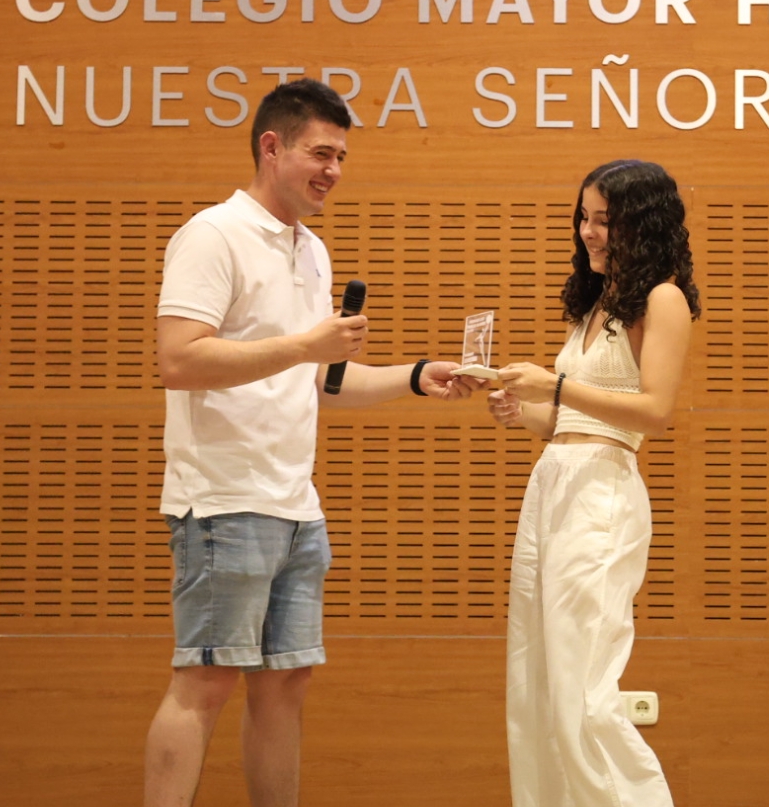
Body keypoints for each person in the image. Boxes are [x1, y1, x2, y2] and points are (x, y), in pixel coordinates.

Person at [144, 78, 479, 807]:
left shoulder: (312, 250)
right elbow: (180, 359)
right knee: (205, 679)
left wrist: (416, 376)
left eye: (342, 157)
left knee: (285, 682)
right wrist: (304, 347)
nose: (333, 170)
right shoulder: (213, 234)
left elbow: (322, 379)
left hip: (296, 504)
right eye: (321, 153)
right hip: (224, 499)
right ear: (272, 147)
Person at [489, 158, 701, 807]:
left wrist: (553, 386)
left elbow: (654, 411)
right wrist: (520, 407)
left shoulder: (663, 298)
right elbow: (569, 419)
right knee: (537, 684)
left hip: (602, 494)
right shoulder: (597, 304)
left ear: (641, 224)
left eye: (604, 220)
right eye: (584, 217)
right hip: (553, 485)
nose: (589, 232)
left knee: (583, 691)